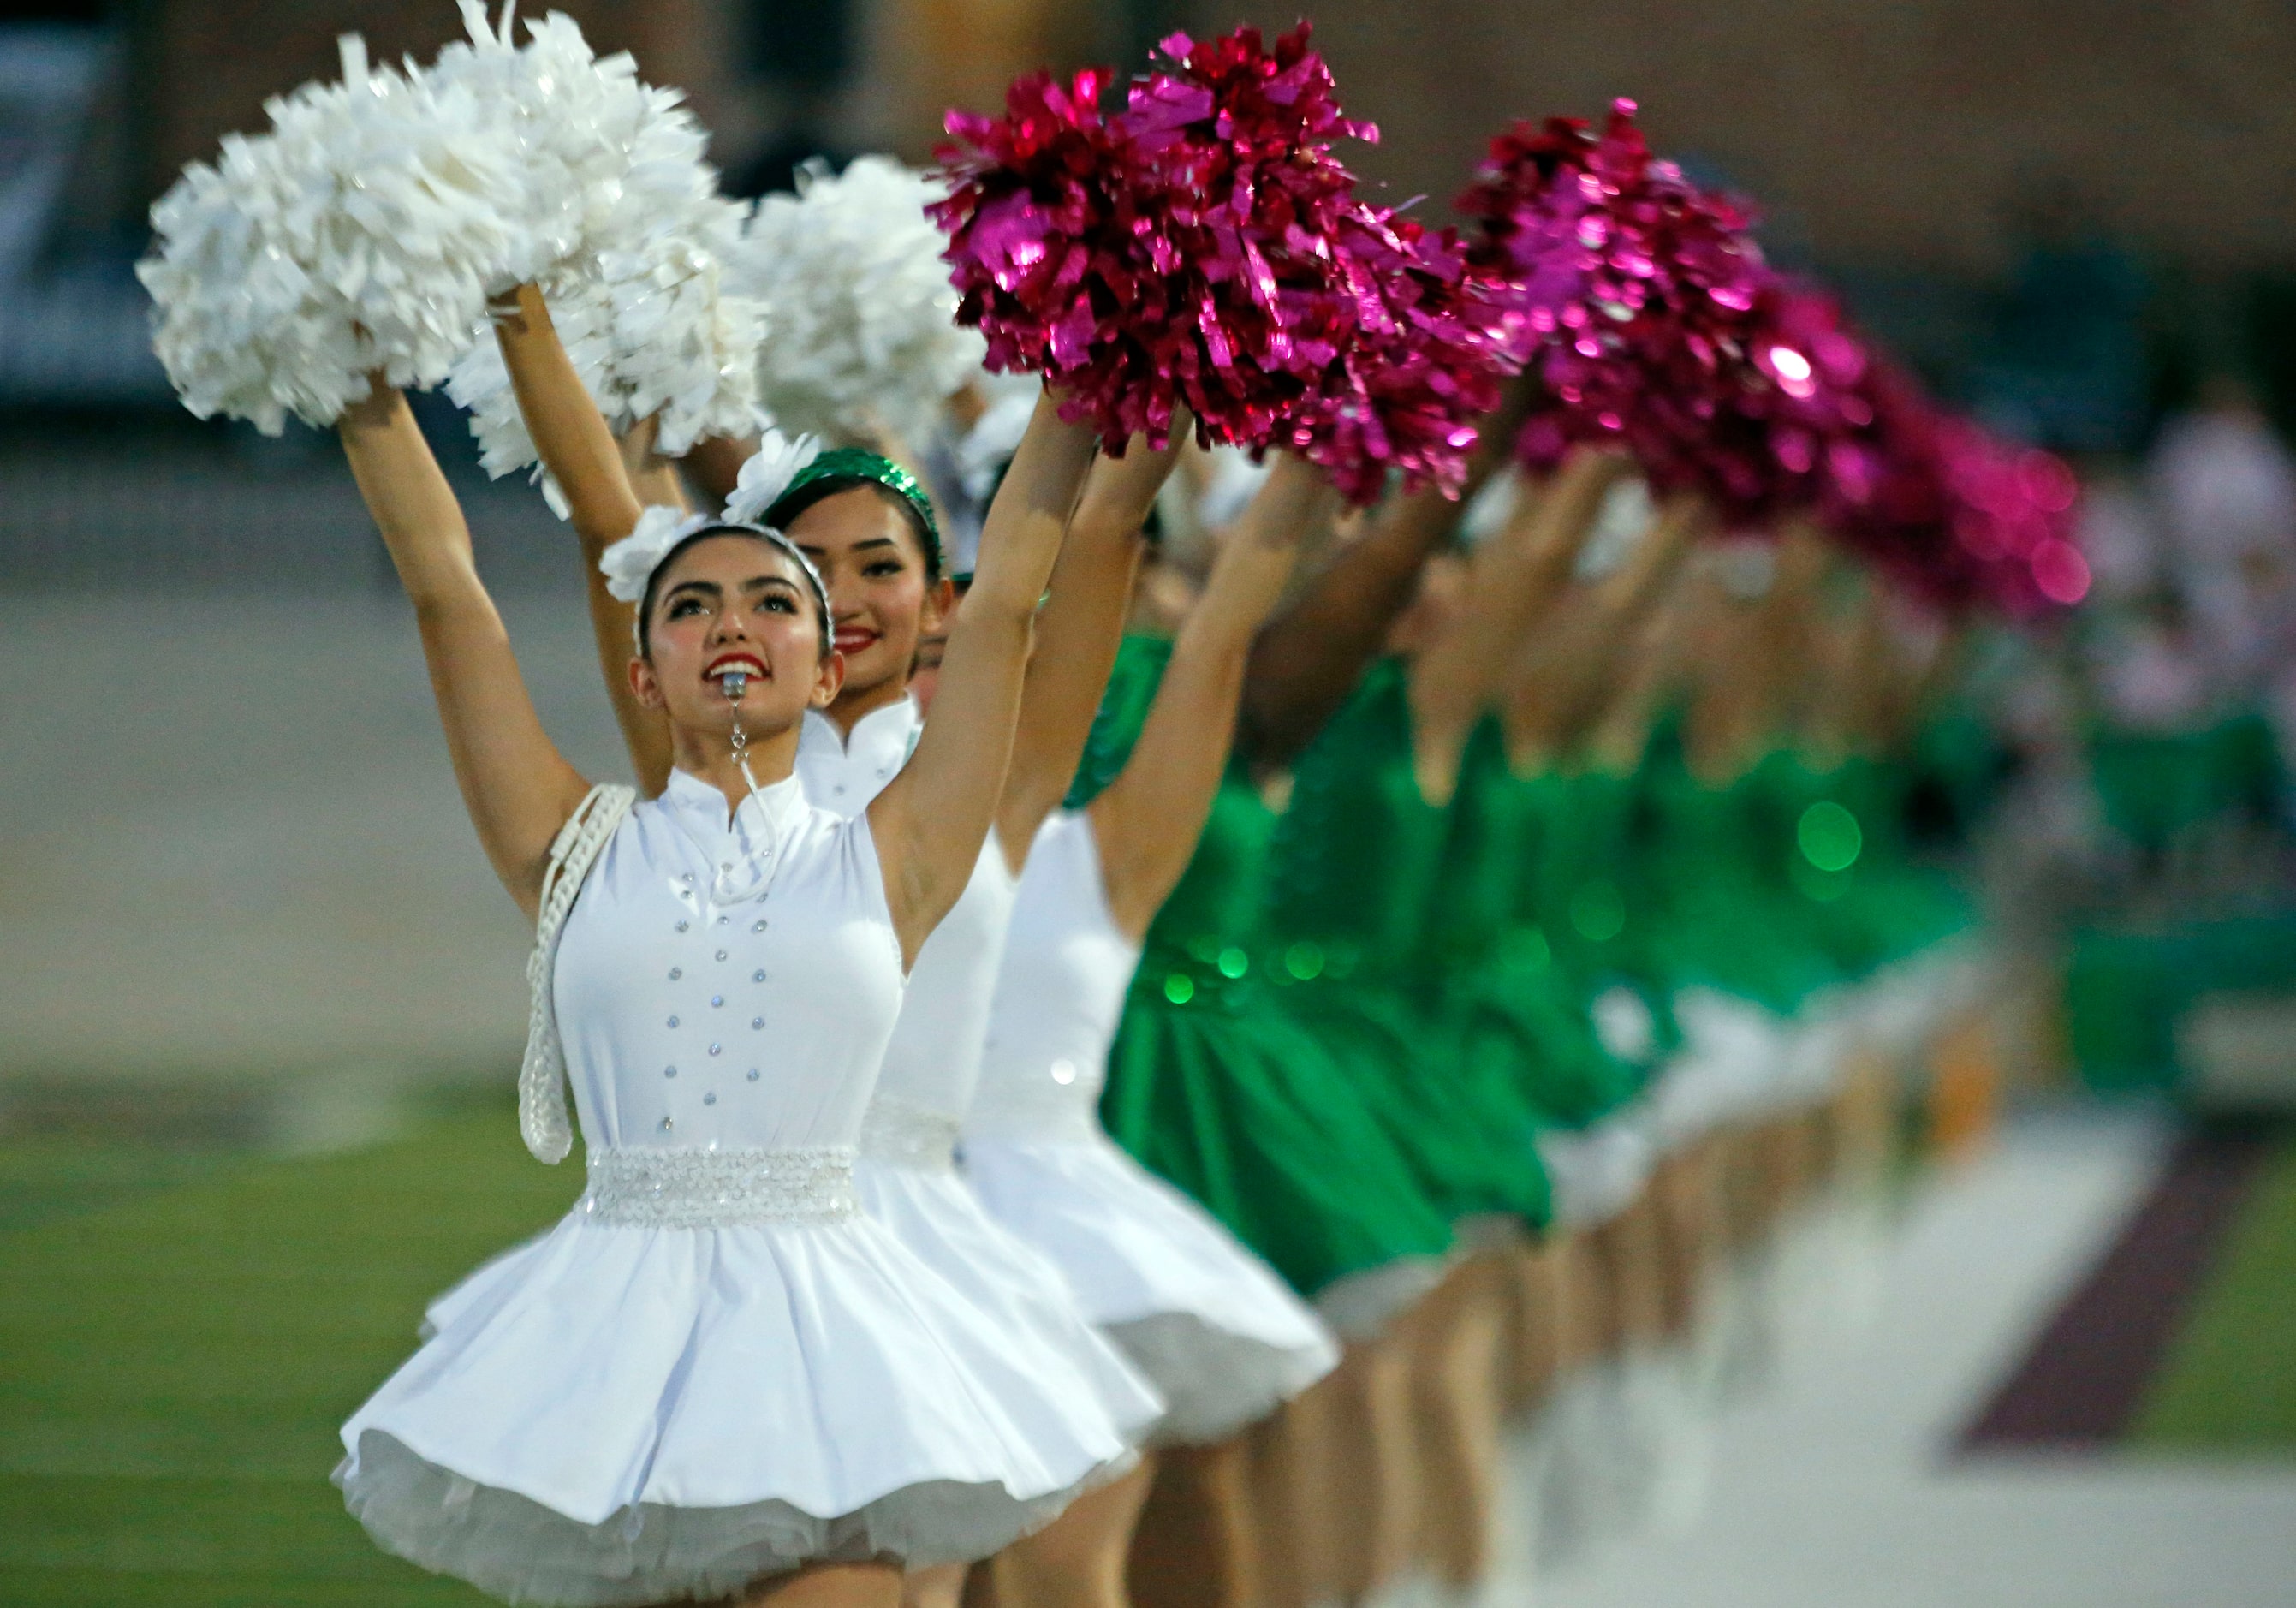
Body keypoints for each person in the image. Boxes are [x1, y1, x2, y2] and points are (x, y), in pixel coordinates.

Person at [330, 275, 1137, 1607]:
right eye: (691, 603)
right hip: (610, 1347)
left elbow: (1006, 607)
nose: (732, 625)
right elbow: (445, 592)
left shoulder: (895, 849)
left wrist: (1100, 348)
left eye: (773, 601)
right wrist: (369, 371)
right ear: (643, 670)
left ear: (826, 668)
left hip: (826, 1338)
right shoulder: (573, 846)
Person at [961, 453, 1345, 1608]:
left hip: (1069, 1192)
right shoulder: (848, 833)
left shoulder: (1102, 847)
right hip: (885, 1215)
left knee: (1071, 1566)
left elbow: (1199, 613)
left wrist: (1309, 377)